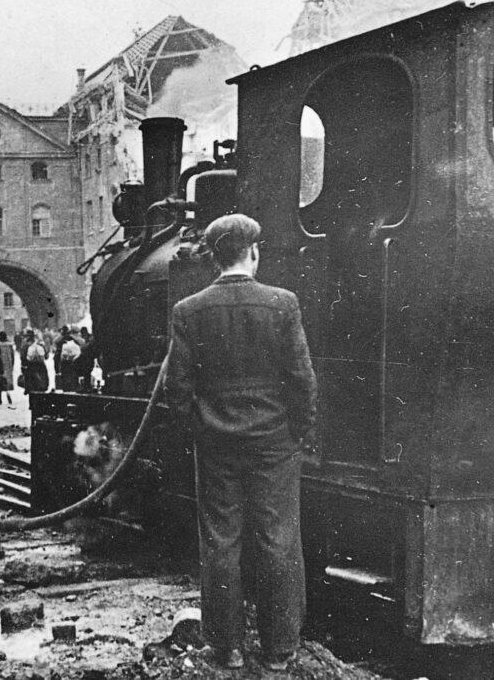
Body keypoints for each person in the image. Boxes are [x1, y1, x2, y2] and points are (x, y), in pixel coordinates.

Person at [161, 213, 317, 671]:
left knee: (221, 542)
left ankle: (225, 646)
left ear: (213, 257)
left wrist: (197, 431)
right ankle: (280, 651)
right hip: (274, 443)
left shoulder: (188, 310)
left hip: (217, 444)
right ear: (253, 251)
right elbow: (302, 379)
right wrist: (299, 432)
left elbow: (178, 388)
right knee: (279, 540)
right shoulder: (282, 303)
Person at [0, 331, 16, 408]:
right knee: (7, 381)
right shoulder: (9, 345)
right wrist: (12, 364)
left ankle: (0, 398)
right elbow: (13, 356)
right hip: (8, 365)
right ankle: (8, 393)